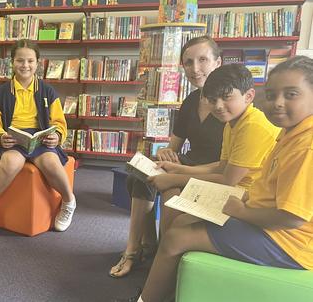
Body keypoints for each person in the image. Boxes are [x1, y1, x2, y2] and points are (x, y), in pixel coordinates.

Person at [118, 56, 313, 302]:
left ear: (249, 96)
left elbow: (291, 216)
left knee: (178, 234)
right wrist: (178, 173)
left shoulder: (300, 144)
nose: (277, 103)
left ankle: (151, 294)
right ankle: (167, 286)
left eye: (292, 94)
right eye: (272, 95)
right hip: (259, 213)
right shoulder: (283, 131)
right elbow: (223, 166)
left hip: (287, 242)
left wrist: (240, 212)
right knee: (178, 220)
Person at [110, 36, 225, 278]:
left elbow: (231, 164)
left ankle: (138, 249)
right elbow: (174, 145)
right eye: (188, 62)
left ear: (218, 62)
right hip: (189, 161)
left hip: (212, 171)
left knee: (152, 182)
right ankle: (143, 245)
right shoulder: (191, 100)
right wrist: (164, 153)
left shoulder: (229, 102)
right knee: (139, 174)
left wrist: (177, 168)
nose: (195, 69)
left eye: (203, 60)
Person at [148, 64, 280, 236]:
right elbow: (222, 166)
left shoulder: (253, 125)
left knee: (176, 213)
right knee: (170, 192)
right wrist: (178, 169)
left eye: (226, 97)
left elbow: (227, 180)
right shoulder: (231, 124)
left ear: (248, 96)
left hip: (248, 197)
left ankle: (166, 248)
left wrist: (175, 178)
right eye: (212, 99)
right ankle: (156, 247)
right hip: (237, 190)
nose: (218, 106)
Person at [0, 39, 76, 236]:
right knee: (10, 162)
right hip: (14, 138)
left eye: (30, 61)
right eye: (20, 61)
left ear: (37, 63)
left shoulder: (48, 91)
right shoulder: (1, 93)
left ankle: (69, 201)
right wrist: (0, 137)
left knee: (51, 163)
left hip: (40, 138)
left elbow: (59, 122)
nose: (25, 65)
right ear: (12, 63)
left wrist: (56, 136)